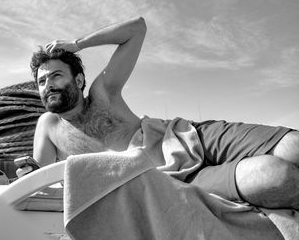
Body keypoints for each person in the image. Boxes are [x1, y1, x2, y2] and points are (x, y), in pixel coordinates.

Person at [17, 16, 299, 209]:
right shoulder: (49, 126)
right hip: (167, 177)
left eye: (56, 76)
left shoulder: (103, 92)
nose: (48, 85)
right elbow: (38, 181)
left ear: (78, 80)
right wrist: (27, 173)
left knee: (294, 147)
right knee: (276, 177)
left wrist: (78, 44)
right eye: (42, 81)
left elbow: (136, 29)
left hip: (187, 136)